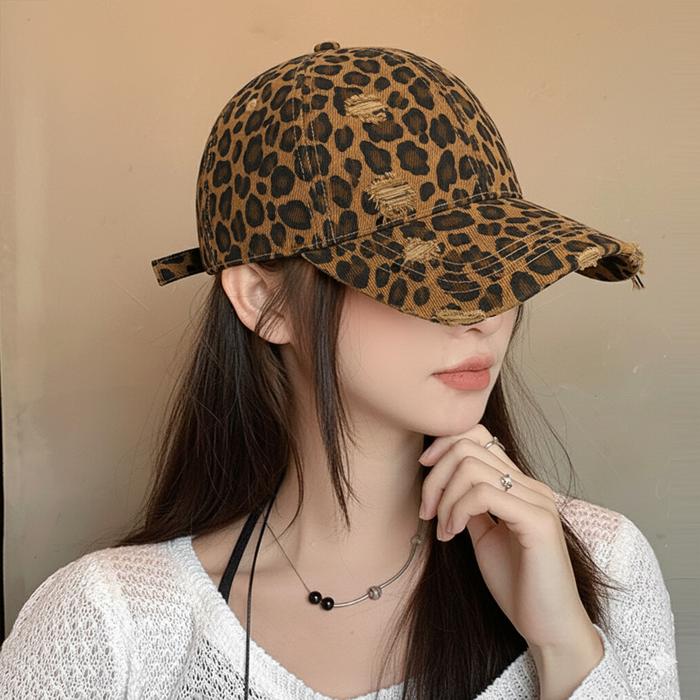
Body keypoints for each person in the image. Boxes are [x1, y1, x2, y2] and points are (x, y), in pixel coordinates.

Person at [0, 42, 679, 699]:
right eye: (428, 275)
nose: (484, 316)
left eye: (501, 269)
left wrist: (564, 646)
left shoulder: (601, 566)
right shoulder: (112, 626)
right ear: (264, 302)